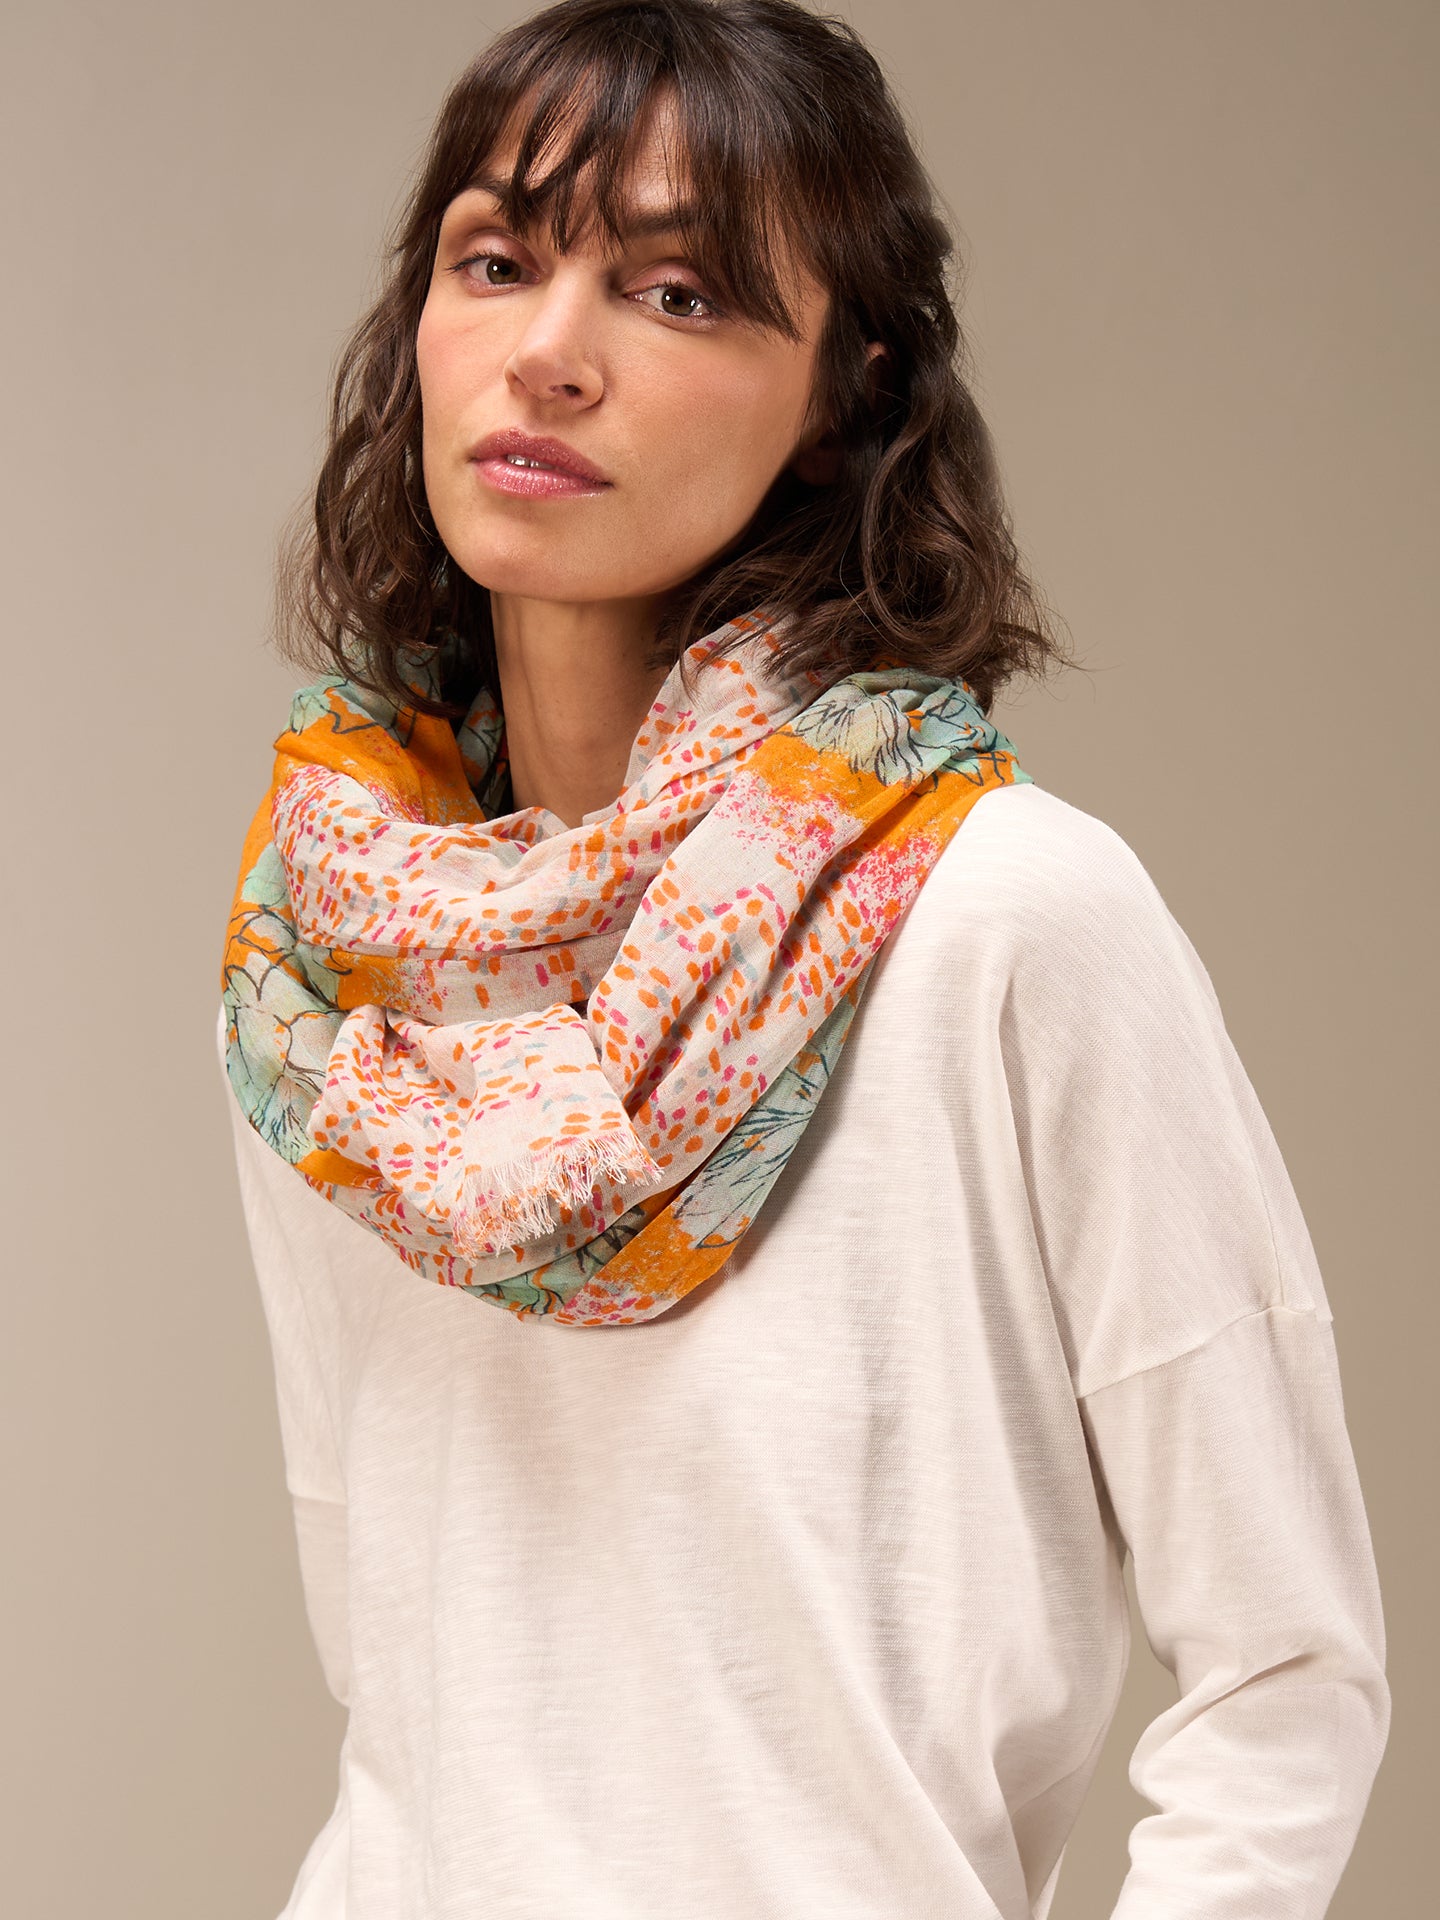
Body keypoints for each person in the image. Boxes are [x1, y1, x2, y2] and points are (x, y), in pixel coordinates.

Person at [218, 2, 1389, 1914]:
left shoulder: (1013, 919)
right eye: (495, 261)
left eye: (675, 292)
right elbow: (397, 1669)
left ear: (844, 394)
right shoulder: (335, 974)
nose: (550, 351)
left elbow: (1288, 1678)